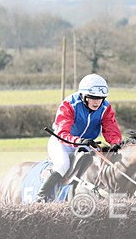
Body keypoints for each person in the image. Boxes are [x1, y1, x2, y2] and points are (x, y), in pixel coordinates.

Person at [36, 73, 122, 202]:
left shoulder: (105, 108)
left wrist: (115, 143)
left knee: (97, 167)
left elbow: (111, 128)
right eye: (93, 98)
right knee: (63, 165)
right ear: (84, 96)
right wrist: (78, 141)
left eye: (100, 98)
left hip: (87, 145)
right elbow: (62, 133)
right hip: (62, 143)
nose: (97, 102)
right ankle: (41, 196)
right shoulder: (70, 104)